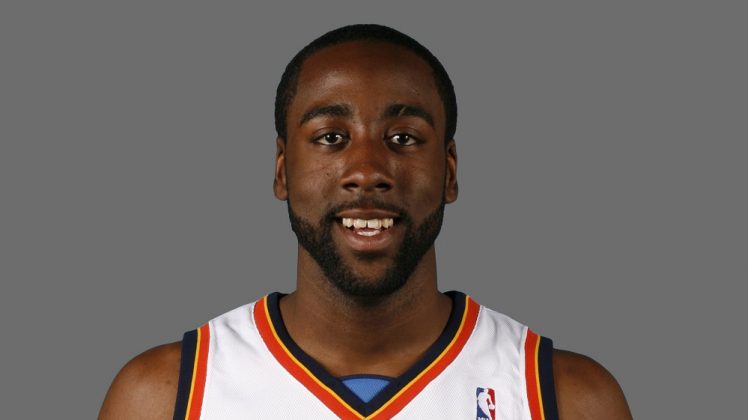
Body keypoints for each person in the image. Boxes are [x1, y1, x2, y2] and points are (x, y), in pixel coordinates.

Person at [99, 24, 632, 419]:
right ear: (282, 171)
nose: (368, 171)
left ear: (449, 172)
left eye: (403, 138)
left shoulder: (565, 398)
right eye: (331, 137)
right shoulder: (164, 397)